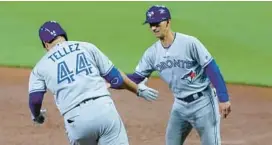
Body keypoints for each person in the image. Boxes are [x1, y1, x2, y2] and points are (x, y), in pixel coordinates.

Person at [28, 20, 159, 145]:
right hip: (104, 110)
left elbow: (35, 100)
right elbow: (116, 79)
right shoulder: (86, 47)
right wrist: (137, 89)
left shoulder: (40, 67)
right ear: (63, 35)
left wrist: (37, 116)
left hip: (76, 121)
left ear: (45, 44)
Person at [127, 5, 231, 145]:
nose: (153, 28)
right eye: (151, 25)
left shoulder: (189, 43)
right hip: (180, 106)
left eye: (157, 24)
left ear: (168, 22)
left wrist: (223, 98)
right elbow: (136, 77)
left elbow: (211, 68)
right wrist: (110, 78)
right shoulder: (152, 53)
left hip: (203, 102)